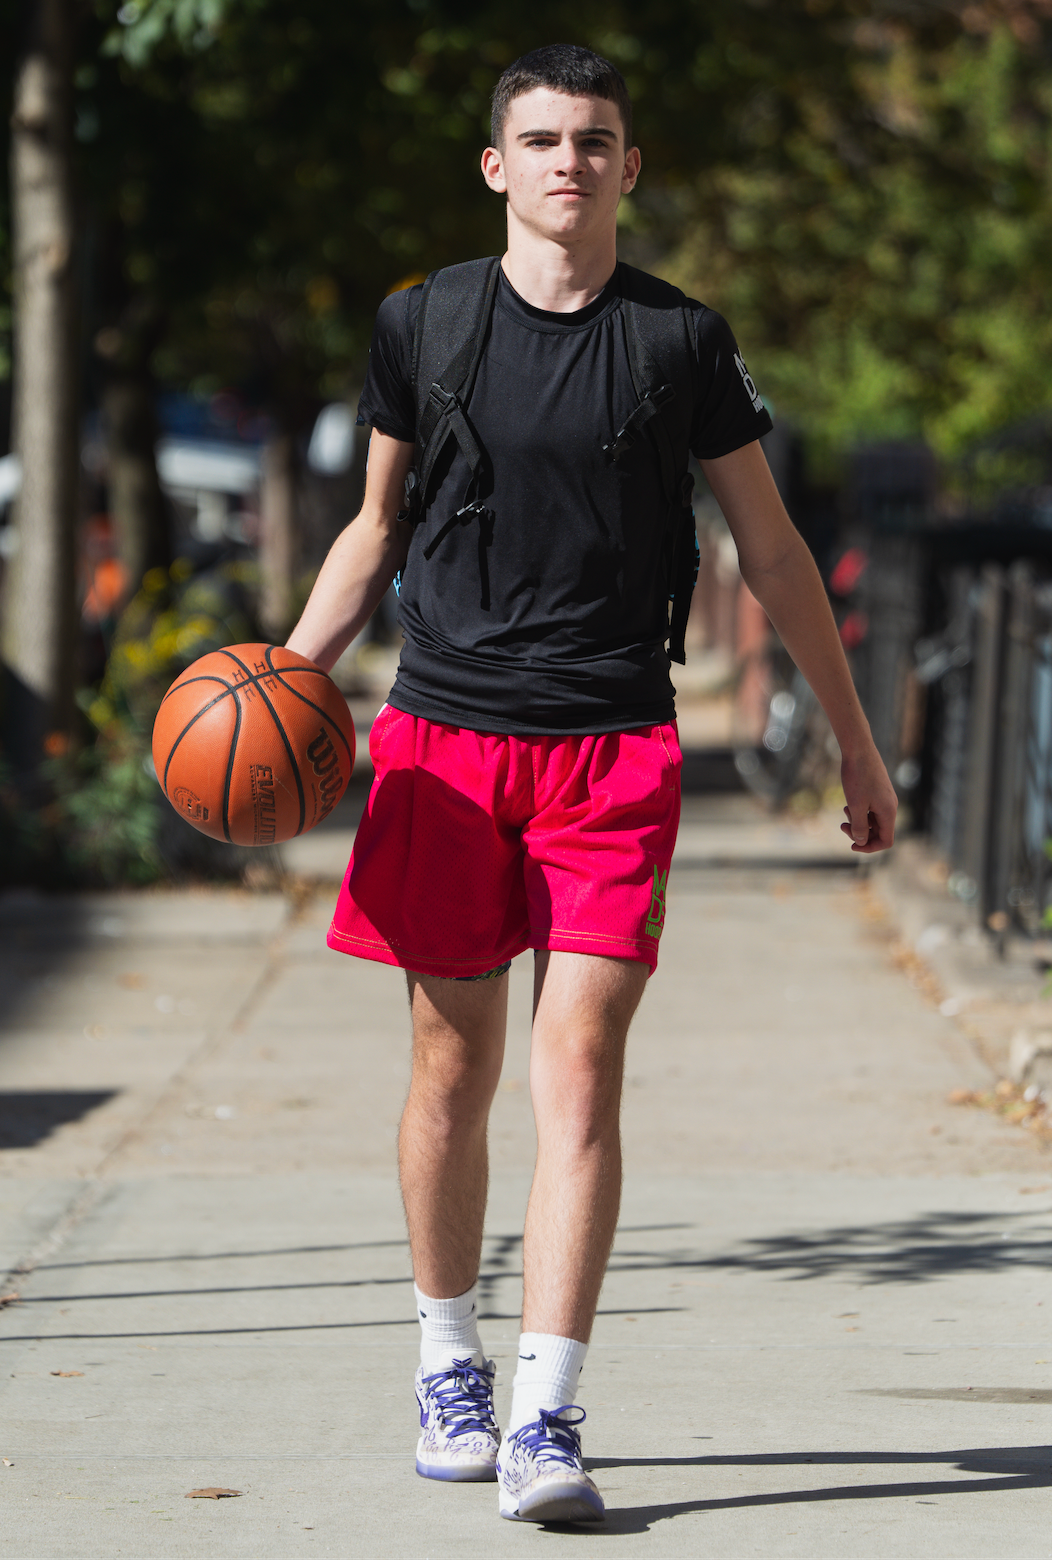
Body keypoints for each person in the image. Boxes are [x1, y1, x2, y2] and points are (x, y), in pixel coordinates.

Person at [286, 43, 897, 1525]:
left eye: (598, 139)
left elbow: (772, 552)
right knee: (452, 1068)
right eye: (543, 138)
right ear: (498, 165)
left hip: (613, 745)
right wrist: (288, 686)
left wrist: (857, 737)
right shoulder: (423, 326)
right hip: (442, 737)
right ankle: (450, 1357)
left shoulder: (681, 343)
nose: (571, 160)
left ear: (631, 166)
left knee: (582, 1068)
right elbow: (371, 531)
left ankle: (549, 1413)